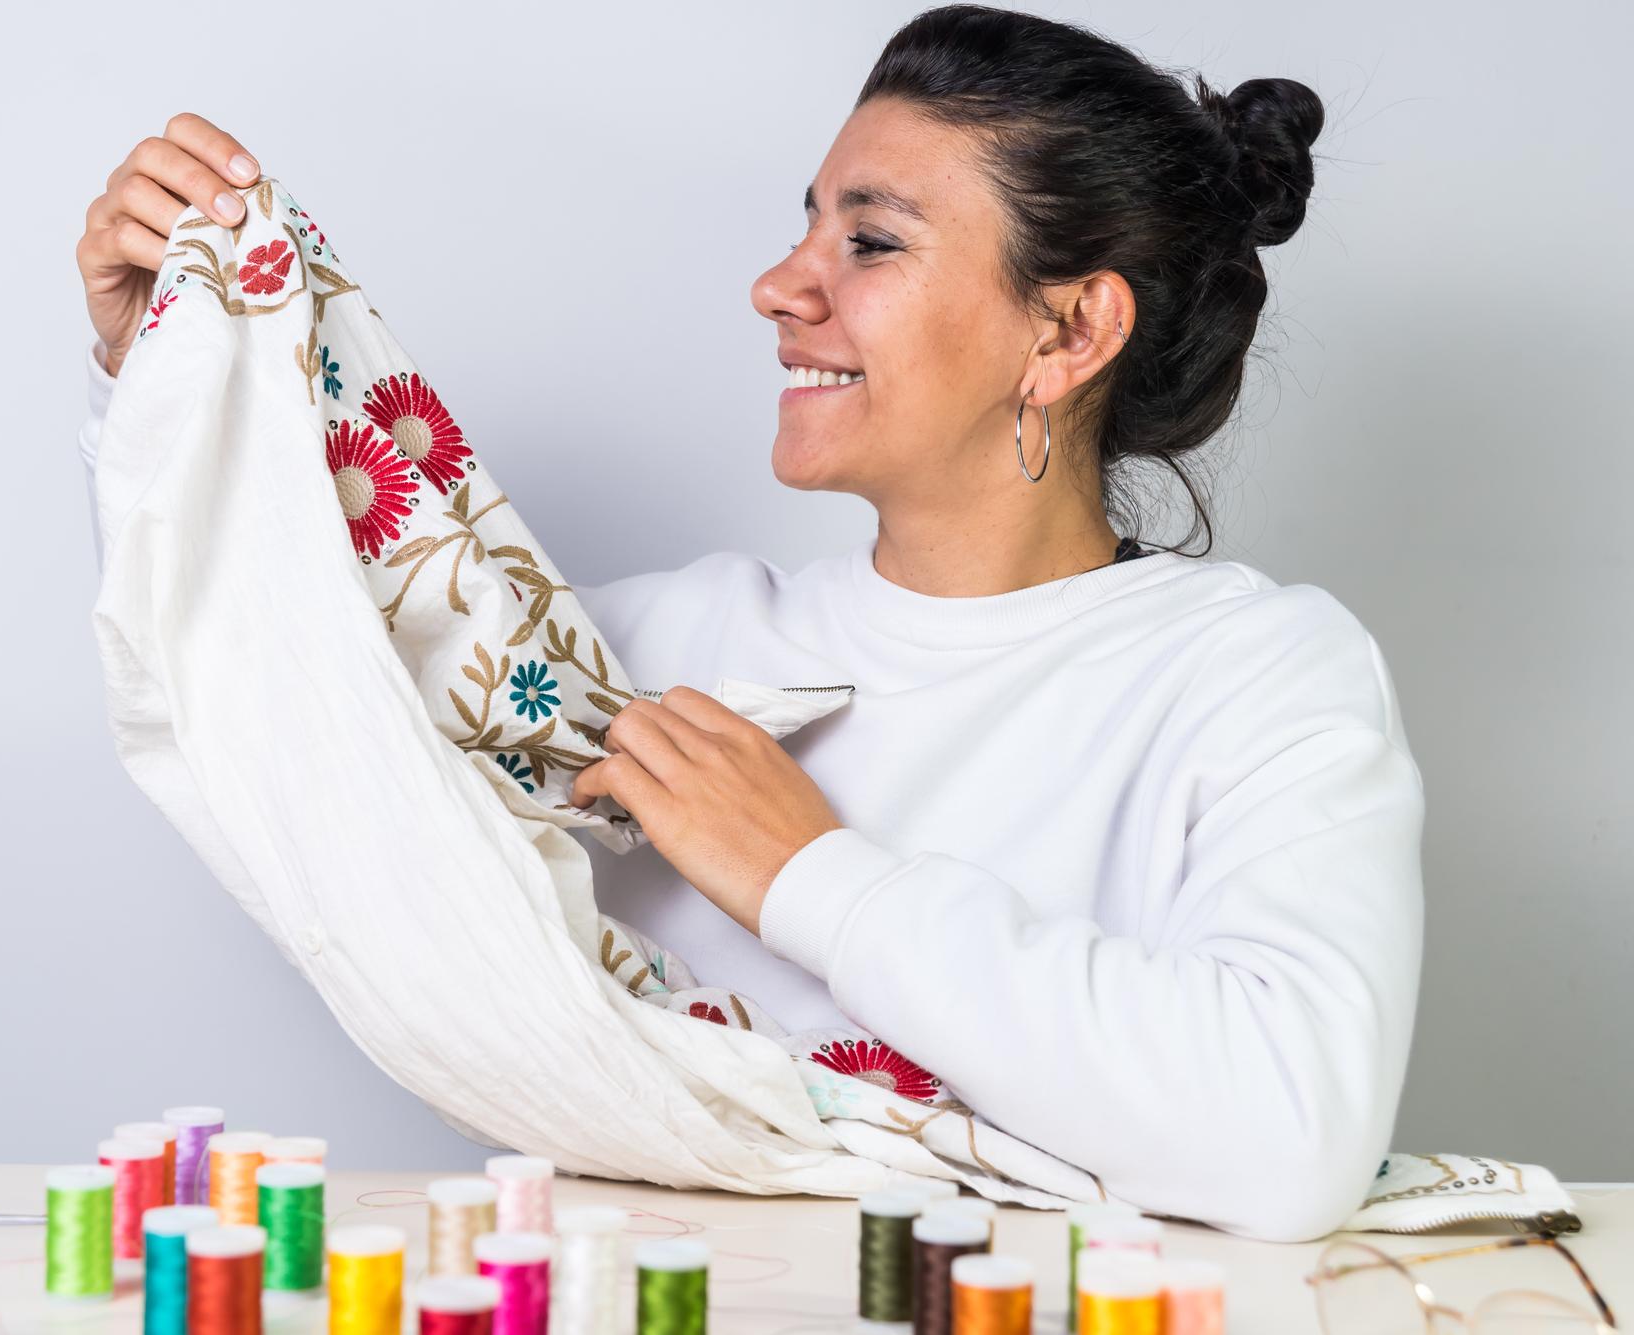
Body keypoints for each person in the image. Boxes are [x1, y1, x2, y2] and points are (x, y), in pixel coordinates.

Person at [71, 6, 1424, 1242]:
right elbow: (297, 716)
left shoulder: (1255, 676)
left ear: (1067, 332)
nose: (782, 286)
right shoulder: (642, 664)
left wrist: (804, 874)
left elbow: (1288, 1141)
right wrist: (181, 381)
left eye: (872, 240)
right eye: (807, 227)